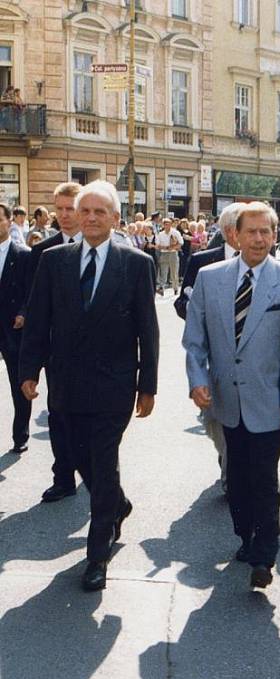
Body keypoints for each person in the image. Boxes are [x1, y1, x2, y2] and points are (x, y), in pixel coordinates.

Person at [20, 180, 159, 592]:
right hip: (66, 384)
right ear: (77, 217)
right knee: (80, 459)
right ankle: (117, 503)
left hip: (114, 386)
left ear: (116, 219)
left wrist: (147, 385)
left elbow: (147, 330)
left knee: (103, 460)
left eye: (101, 212)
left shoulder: (135, 264)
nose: (92, 218)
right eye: (86, 211)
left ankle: (97, 555)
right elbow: (38, 321)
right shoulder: (54, 261)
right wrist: (29, 371)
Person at [183, 201, 280, 589]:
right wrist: (196, 379)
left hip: (269, 401)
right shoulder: (209, 277)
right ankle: (245, 536)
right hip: (223, 399)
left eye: (265, 232)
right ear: (235, 235)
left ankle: (264, 556)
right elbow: (195, 338)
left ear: (275, 236)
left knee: (264, 479)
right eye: (251, 231)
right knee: (236, 477)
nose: (258, 238)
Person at [174, 203, 244, 493]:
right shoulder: (202, 261)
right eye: (246, 228)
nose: (255, 237)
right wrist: (196, 311)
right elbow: (181, 303)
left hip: (251, 356)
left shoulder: (267, 258)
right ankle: (229, 462)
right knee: (216, 419)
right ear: (229, 232)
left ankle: (238, 473)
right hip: (215, 356)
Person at [24, 182, 87, 502]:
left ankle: (102, 480)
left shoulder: (107, 248)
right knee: (59, 415)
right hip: (58, 354)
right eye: (58, 209)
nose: (63, 215)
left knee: (95, 419)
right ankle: (63, 477)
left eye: (70, 208)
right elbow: (36, 314)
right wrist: (30, 368)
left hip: (96, 355)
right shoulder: (41, 252)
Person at [0, 202, 31, 453]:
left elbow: (31, 292)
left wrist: (23, 313)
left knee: (17, 383)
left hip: (12, 327)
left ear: (10, 222)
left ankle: (20, 434)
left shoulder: (23, 254)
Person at [156, 217, 181, 295]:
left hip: (173, 253)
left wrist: (173, 247)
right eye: (165, 224)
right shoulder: (160, 234)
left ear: (171, 224)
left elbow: (181, 243)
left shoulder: (175, 233)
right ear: (163, 225)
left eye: (168, 224)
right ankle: (161, 288)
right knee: (163, 272)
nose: (167, 226)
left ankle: (175, 288)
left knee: (174, 272)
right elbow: (157, 245)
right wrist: (166, 247)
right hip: (164, 253)